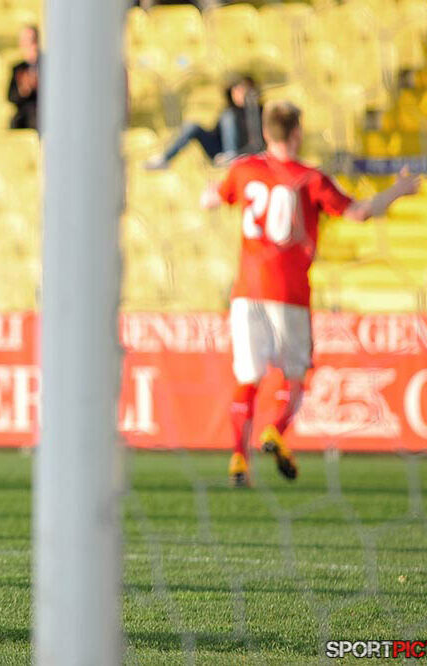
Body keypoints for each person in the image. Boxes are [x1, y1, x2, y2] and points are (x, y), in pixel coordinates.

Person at [200, 100, 420, 487]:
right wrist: (399, 190)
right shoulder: (309, 178)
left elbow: (212, 200)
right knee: (296, 376)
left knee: (247, 377)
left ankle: (238, 459)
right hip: (289, 292)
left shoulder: (244, 170)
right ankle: (275, 430)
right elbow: (359, 212)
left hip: (246, 292)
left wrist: (209, 192)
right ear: (298, 133)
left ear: (266, 133)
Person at [146, 74, 263, 170]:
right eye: (236, 91)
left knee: (229, 116)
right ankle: (165, 159)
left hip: (246, 153)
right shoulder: (229, 111)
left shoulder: (260, 112)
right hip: (222, 152)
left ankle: (230, 156)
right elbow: (217, 134)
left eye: (243, 90)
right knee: (192, 126)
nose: (238, 94)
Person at [7, 24, 39, 130]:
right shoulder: (18, 68)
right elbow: (11, 96)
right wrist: (24, 89)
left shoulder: (49, 66)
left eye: (32, 40)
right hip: (25, 117)